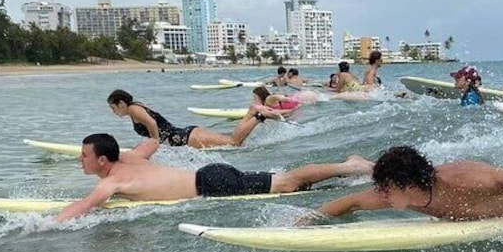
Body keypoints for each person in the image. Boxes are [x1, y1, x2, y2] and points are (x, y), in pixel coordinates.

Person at [54, 133, 374, 222]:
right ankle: (345, 171)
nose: (79, 160)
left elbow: (84, 207)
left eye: (84, 156)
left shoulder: (111, 183)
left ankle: (351, 166)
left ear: (102, 160)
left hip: (212, 185)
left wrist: (45, 223)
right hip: (210, 178)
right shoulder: (132, 158)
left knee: (288, 182)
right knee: (290, 185)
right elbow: (152, 141)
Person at [315, 146, 503, 221]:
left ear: (407, 185)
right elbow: (349, 203)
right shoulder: (395, 195)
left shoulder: (467, 182)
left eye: (385, 187)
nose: (380, 193)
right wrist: (306, 224)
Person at [106, 89, 236, 149]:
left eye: (113, 108)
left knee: (234, 143)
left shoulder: (134, 109)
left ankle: (254, 115)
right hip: (185, 135)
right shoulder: (137, 107)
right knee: (233, 142)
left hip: (184, 138)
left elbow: (152, 124)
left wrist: (154, 145)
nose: (113, 112)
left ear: (122, 104)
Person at [230, 86, 320, 143]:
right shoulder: (263, 105)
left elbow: (281, 100)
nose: (254, 99)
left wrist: (289, 101)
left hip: (294, 110)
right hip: (290, 112)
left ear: (259, 96)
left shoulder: (269, 99)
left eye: (255, 97)